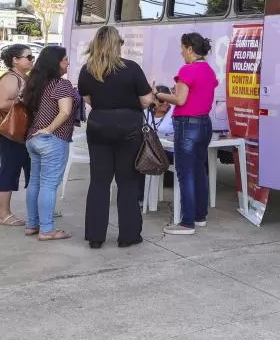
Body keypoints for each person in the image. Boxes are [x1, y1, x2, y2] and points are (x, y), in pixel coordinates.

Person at [77, 26, 156, 249]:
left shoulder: (87, 69)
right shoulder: (131, 68)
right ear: (117, 44)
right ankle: (128, 236)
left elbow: (88, 99)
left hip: (99, 125)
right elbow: (146, 101)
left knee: (99, 182)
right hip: (129, 126)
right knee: (127, 181)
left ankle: (95, 237)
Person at [153, 33, 218, 236]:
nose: (181, 52)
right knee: (199, 170)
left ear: (190, 48)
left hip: (187, 125)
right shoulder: (208, 70)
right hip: (204, 123)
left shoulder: (187, 70)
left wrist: (158, 94)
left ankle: (187, 222)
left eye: (182, 48)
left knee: (185, 173)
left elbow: (180, 100)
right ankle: (199, 216)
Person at [23, 46, 79, 241]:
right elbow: (65, 112)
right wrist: (49, 129)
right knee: (48, 184)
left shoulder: (35, 83)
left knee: (35, 182)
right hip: (52, 139)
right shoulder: (61, 84)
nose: (68, 63)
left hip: (33, 138)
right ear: (56, 63)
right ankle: (47, 230)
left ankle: (32, 224)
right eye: (65, 59)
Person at [0, 44, 34, 227]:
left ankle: (39, 207)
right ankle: (3, 214)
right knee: (9, 168)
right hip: (9, 132)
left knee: (31, 167)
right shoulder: (11, 78)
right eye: (28, 57)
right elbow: (1, 104)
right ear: (15, 60)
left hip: (20, 131)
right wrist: (24, 103)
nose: (32, 60)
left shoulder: (23, 77)